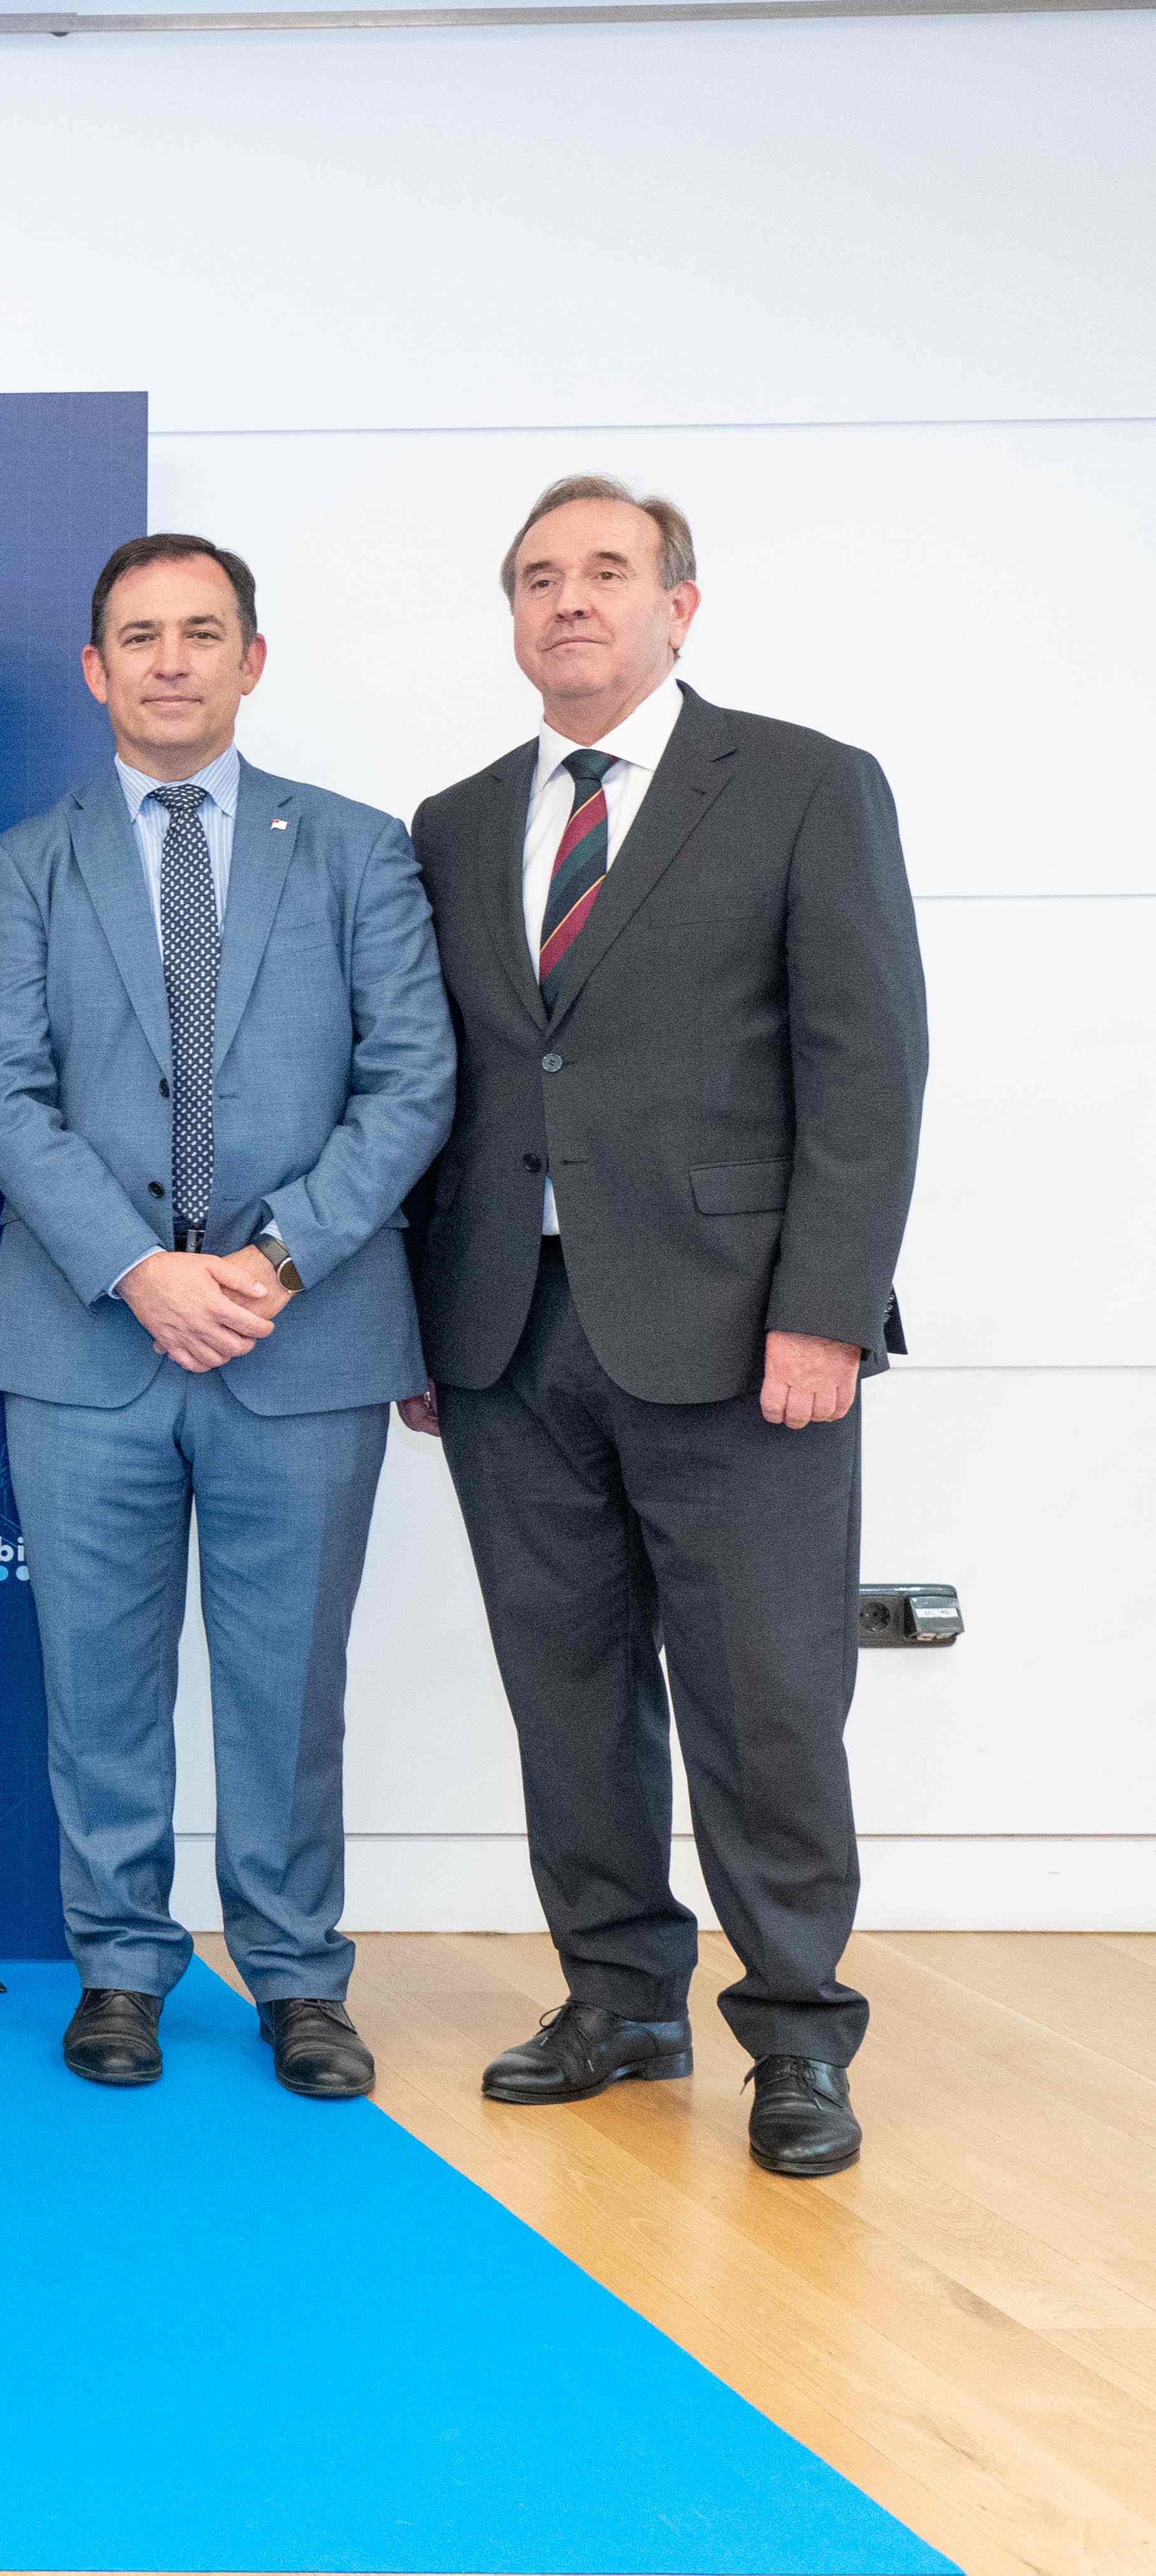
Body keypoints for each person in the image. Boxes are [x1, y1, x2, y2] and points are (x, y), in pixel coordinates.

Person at [401, 478, 924, 2181]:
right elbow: (450, 1088)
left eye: (605, 573)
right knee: (565, 1691)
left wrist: (825, 1311)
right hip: (504, 1326)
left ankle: (792, 2028)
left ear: (677, 605)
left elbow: (865, 1067)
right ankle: (618, 1996)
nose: (569, 603)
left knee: (763, 1694)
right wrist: (421, 1316)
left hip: (737, 1331)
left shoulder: (797, 785)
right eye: (538, 579)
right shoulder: (457, 817)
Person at [0, 532, 450, 2100]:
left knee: (287, 1685)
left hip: (301, 1340)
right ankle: (119, 1966)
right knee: (97, 1684)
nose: (169, 660)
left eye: (200, 632)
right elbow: (2, 1094)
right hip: (91, 1339)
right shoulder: (29, 860)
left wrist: (279, 1257)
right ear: (94, 671)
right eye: (137, 637)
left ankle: (299, 1977)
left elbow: (413, 1077)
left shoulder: (358, 849)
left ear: (251, 659)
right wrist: (142, 1269)